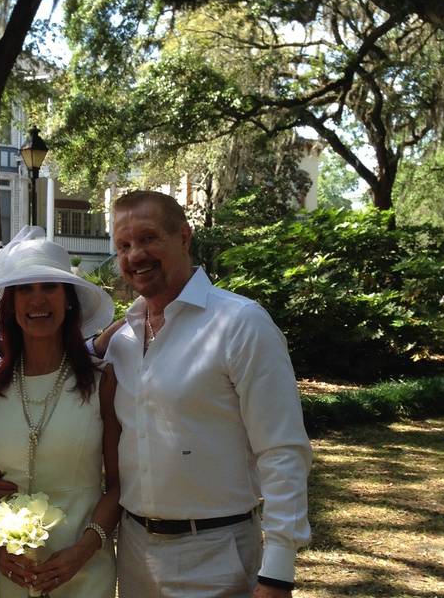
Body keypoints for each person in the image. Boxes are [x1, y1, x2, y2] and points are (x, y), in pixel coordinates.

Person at [104, 190, 312, 598]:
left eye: (148, 239)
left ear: (184, 236)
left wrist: (279, 571)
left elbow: (282, 449)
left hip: (217, 554)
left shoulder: (241, 324)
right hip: (133, 553)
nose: (135, 255)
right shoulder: (121, 341)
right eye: (123, 246)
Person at [0, 226, 120, 598]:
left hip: (84, 565)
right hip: (15, 570)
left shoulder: (102, 381)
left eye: (49, 287)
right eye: (24, 289)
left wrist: (83, 551)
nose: (38, 301)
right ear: (11, 305)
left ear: (68, 300)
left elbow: (119, 486)